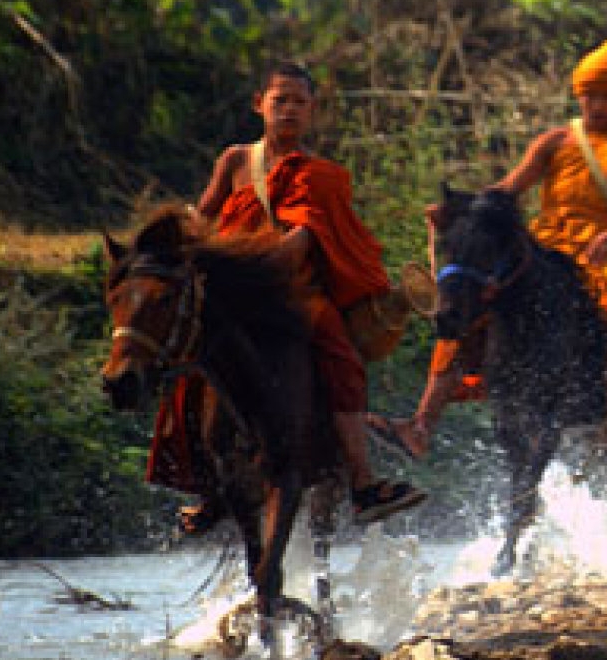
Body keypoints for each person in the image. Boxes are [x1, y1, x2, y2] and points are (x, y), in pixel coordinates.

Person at [368, 39, 607, 458]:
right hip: (546, 240)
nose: (598, 105)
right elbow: (506, 190)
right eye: (590, 95)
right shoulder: (556, 141)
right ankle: (421, 423)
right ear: (578, 94)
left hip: (603, 247)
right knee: (467, 297)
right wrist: (460, 210)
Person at [176, 61, 426, 529]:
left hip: (292, 294)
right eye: (280, 101)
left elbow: (304, 238)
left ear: (312, 111)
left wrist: (259, 264)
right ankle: (208, 485)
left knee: (339, 355)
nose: (289, 109)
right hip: (233, 296)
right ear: (259, 106)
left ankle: (362, 483)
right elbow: (202, 220)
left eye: (299, 102)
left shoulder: (322, 174)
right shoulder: (235, 161)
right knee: (184, 354)